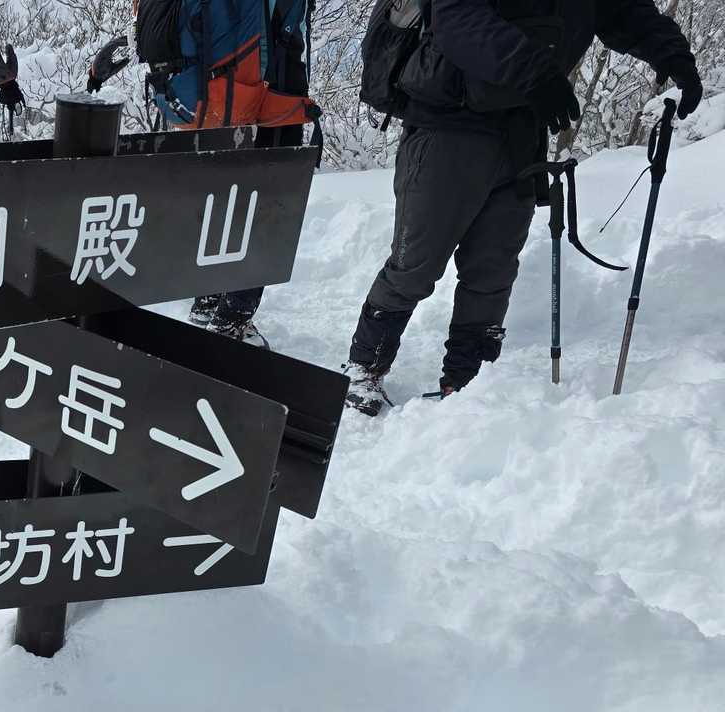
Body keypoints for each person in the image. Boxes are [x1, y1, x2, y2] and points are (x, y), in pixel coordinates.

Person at [344, 0, 702, 415]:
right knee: (416, 264)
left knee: (493, 269)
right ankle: (364, 367)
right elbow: (456, 17)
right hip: (448, 123)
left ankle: (467, 383)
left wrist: (674, 57)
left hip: (522, 133)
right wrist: (534, 73)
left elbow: (626, 13)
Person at [189, 0, 314, 347]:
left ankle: (207, 302)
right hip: (274, 93)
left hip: (223, 91)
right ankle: (232, 318)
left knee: (225, 196)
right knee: (269, 205)